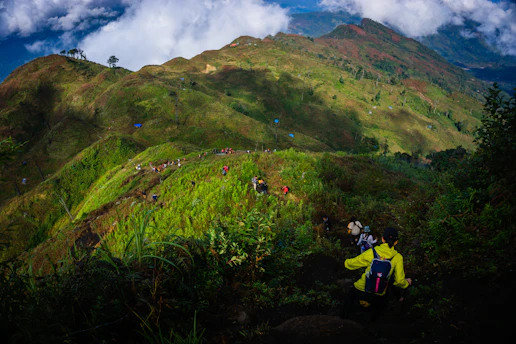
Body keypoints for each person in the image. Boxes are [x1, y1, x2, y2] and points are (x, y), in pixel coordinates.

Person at [342, 227, 412, 323]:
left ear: (382, 239)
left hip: (362, 289)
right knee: (381, 306)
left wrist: (345, 262)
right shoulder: (397, 257)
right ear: (396, 242)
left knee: (349, 297)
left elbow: (352, 264)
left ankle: (342, 319)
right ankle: (371, 326)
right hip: (379, 294)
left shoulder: (372, 252)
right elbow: (399, 281)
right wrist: (406, 283)